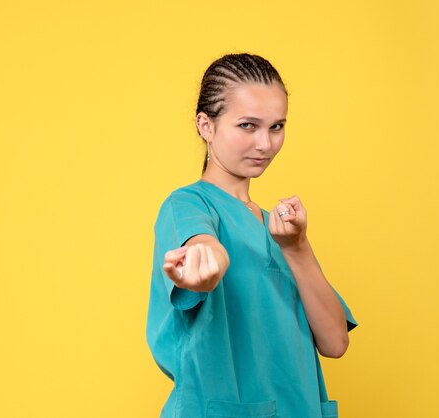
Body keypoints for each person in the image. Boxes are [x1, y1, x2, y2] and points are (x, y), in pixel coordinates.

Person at [146, 53, 358, 418]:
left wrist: (297, 248)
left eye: (276, 127)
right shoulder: (188, 205)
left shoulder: (278, 228)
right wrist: (206, 265)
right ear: (205, 125)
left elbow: (336, 342)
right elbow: (204, 247)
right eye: (248, 126)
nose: (265, 144)